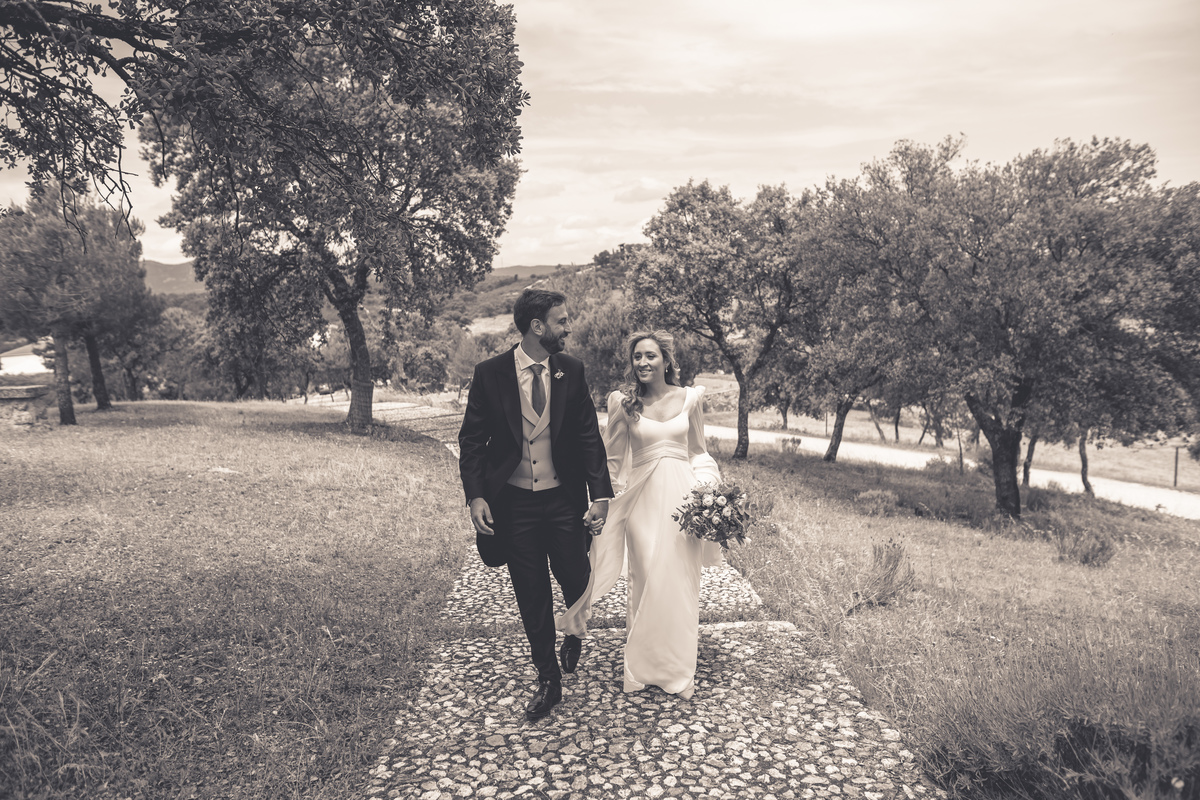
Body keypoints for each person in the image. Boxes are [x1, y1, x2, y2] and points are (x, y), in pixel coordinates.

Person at [458, 288, 613, 721]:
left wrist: (600, 496)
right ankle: (548, 678)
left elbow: (588, 437)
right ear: (537, 326)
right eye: (562, 321)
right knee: (531, 592)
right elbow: (471, 441)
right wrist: (476, 495)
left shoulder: (571, 370)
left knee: (576, 575)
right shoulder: (490, 374)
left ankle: (574, 628)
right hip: (515, 504)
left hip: (564, 499)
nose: (568, 328)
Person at [557, 330, 722, 700]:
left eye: (650, 355)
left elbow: (698, 452)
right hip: (642, 504)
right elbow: (612, 461)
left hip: (685, 505)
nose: (643, 363)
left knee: (680, 583)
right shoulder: (623, 403)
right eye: (637, 357)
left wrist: (709, 489)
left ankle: (677, 672)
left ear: (666, 360)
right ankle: (642, 670)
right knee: (646, 577)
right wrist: (601, 501)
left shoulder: (690, 398)